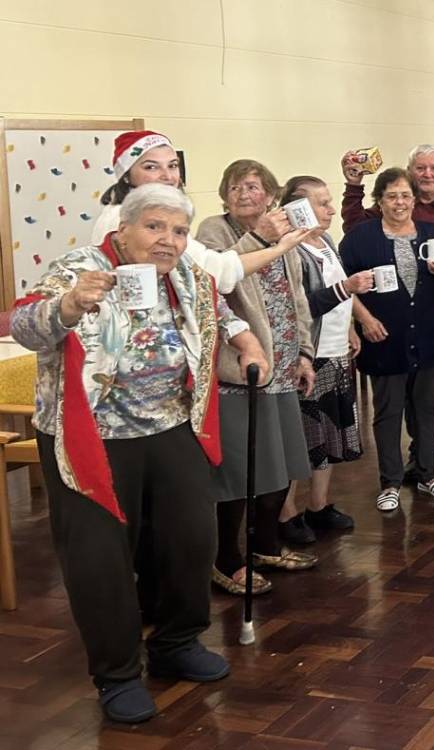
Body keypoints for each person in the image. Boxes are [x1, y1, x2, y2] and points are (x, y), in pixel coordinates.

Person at [11, 184, 269, 723]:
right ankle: (117, 673)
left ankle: (176, 642)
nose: (168, 240)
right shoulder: (79, 268)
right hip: (91, 435)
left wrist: (245, 341)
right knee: (100, 557)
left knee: (189, 541)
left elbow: (218, 309)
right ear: (123, 229)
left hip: (172, 425)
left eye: (178, 230)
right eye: (155, 226)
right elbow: (23, 325)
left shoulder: (185, 272)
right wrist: (68, 305)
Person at [195, 160, 320, 597]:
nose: (244, 194)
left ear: (270, 194)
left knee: (280, 463)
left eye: (253, 187)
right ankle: (226, 559)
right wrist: (262, 236)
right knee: (237, 471)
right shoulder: (213, 232)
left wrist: (304, 353)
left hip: (282, 365)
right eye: (235, 187)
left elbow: (297, 297)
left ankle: (266, 545)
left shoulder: (286, 236)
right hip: (237, 370)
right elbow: (216, 280)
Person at [342, 145, 434, 482]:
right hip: (390, 326)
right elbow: (347, 260)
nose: (400, 202)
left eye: (405, 196)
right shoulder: (369, 230)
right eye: (392, 196)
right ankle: (402, 471)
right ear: (381, 201)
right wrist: (353, 184)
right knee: (396, 401)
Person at [277, 176, 373, 545]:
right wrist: (346, 289)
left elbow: (337, 295)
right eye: (322, 203)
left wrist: (349, 325)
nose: (331, 210)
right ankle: (285, 513)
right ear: (297, 209)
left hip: (335, 351)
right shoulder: (290, 250)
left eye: (330, 202)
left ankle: (318, 505)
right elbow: (301, 307)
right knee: (303, 439)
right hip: (309, 356)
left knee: (329, 435)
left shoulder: (326, 241)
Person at [92, 130, 293, 292]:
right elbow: (208, 274)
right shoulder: (122, 218)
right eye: (151, 167)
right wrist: (269, 244)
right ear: (126, 176)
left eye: (173, 166)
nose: (167, 176)